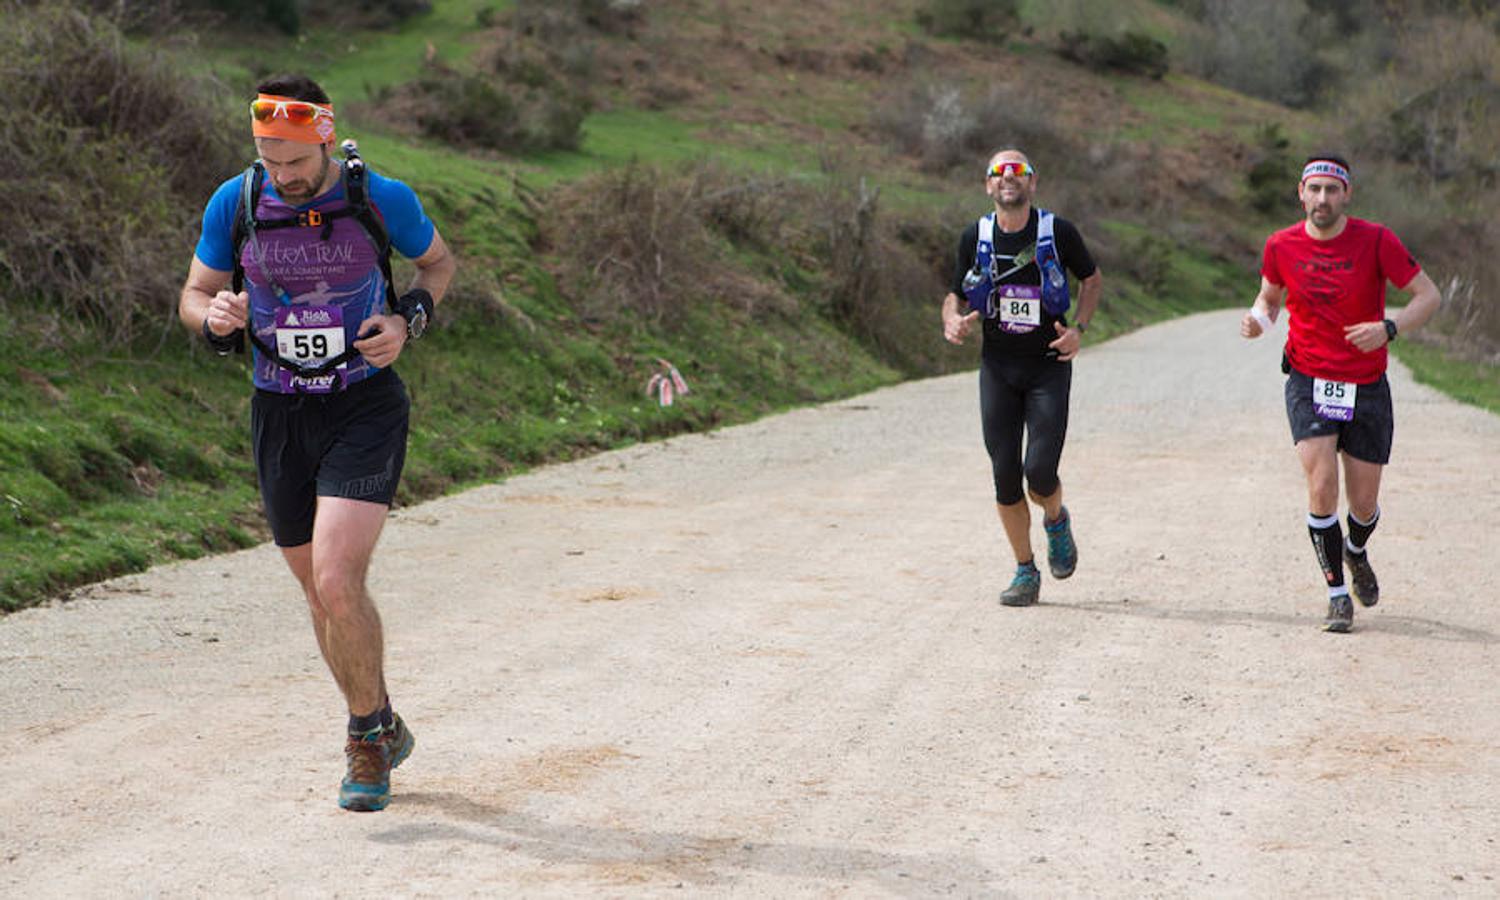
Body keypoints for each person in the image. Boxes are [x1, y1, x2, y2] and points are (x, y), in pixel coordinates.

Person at [178, 74, 456, 810]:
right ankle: (385, 719)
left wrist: (407, 322)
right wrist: (215, 318)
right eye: (270, 160)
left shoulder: (379, 199)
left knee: (337, 580)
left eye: (295, 161)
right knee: (318, 593)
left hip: (363, 406)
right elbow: (193, 293)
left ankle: (365, 740)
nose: (284, 176)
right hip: (278, 413)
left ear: (325, 138)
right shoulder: (235, 203)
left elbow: (439, 264)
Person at [1241, 154, 1440, 633]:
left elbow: (1428, 296)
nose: (1323, 199)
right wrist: (1258, 321)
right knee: (1322, 485)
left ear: (1346, 193)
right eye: (1315, 189)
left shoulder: (1376, 240)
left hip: (1366, 384)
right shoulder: (1280, 245)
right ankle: (1336, 596)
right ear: (1301, 193)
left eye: (1333, 190)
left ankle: (1355, 551)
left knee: (1364, 503)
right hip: (1309, 379)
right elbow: (1270, 300)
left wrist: (1388, 327)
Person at [941, 149, 1102, 607]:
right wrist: (952, 320)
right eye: (999, 172)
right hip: (998, 367)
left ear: (1033, 183)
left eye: (1018, 171)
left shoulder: (1057, 231)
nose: (1008, 177)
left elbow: (1091, 279)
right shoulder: (976, 235)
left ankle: (1055, 519)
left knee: (1040, 471)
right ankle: (1025, 571)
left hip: (1048, 365)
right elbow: (954, 294)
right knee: (1005, 476)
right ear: (987, 185)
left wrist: (1079, 330)